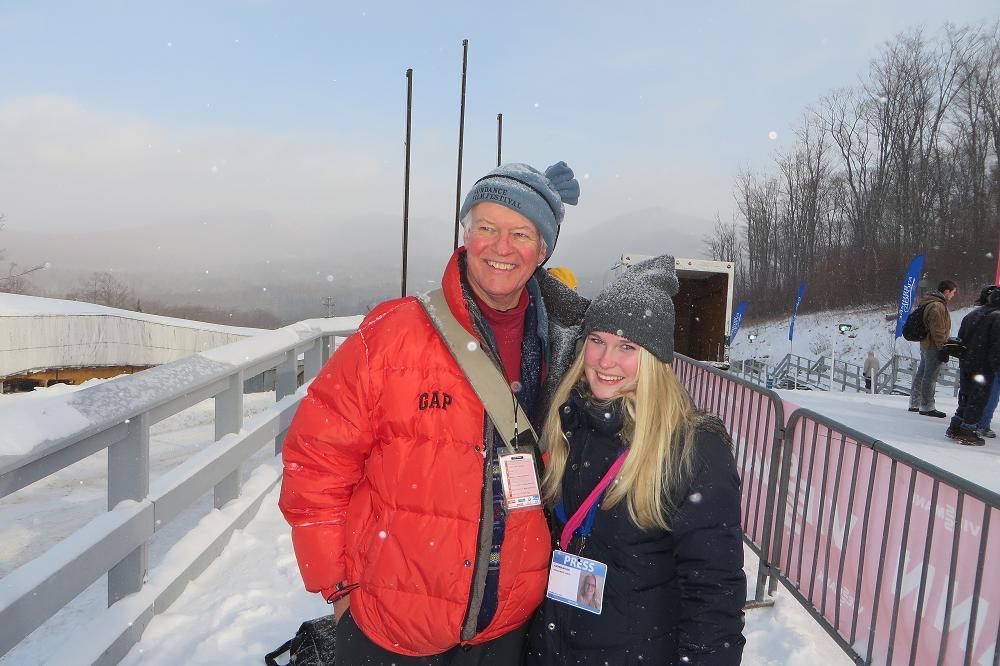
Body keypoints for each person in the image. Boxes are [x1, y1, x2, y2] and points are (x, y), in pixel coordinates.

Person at [279, 161, 590, 664]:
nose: (501, 247)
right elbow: (315, 462)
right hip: (390, 626)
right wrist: (339, 590)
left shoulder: (568, 345)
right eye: (485, 227)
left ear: (544, 249)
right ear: (465, 235)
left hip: (506, 628)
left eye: (520, 233)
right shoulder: (391, 334)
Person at [526, 255, 746, 666]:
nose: (606, 361)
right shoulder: (569, 423)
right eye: (597, 341)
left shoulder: (692, 449)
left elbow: (713, 595)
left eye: (628, 347)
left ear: (656, 358)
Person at [947, 286, 1000, 446]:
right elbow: (997, 347)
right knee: (978, 398)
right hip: (984, 365)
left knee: (965, 395)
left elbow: (961, 338)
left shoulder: (972, 314)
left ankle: (955, 426)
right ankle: (968, 431)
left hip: (967, 361)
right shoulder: (997, 317)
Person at [908, 279, 958, 418]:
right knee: (930, 376)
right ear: (947, 291)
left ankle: (915, 403)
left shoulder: (929, 301)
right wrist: (943, 348)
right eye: (953, 292)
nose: (953, 295)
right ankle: (927, 406)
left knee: (922, 373)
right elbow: (938, 330)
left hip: (925, 343)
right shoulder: (937, 306)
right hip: (933, 346)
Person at [974, 286, 1000, 439]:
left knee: (986, 392)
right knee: (991, 393)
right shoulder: (995, 316)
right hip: (992, 362)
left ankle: (976, 421)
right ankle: (982, 423)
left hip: (981, 360)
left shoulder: (979, 314)